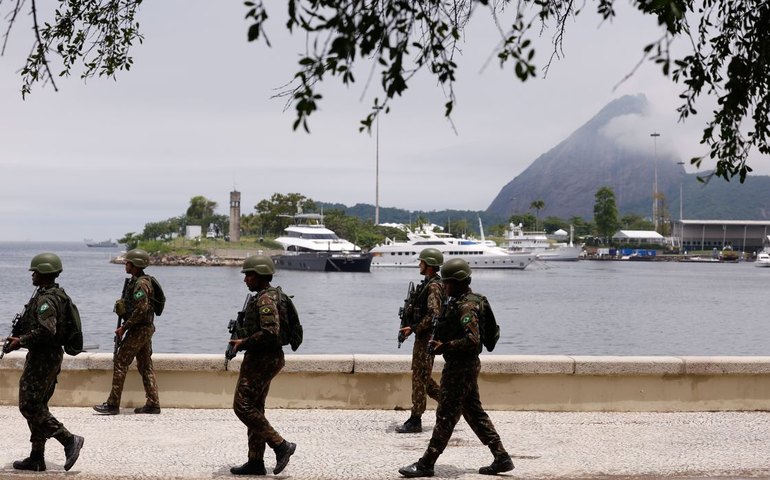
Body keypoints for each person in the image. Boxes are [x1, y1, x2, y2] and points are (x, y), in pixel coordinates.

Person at [398, 258, 514, 478]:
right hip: (465, 367)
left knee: (445, 415)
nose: (445, 287)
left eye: (449, 283)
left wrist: (445, 345)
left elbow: (473, 340)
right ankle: (501, 457)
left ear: (459, 282)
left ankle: (426, 463)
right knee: (474, 413)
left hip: (460, 368)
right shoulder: (467, 300)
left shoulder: (466, 306)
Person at [3, 252, 84, 472]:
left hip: (43, 357)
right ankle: (37, 457)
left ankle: (69, 440)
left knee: (29, 405)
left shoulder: (47, 300)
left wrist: (21, 341)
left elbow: (47, 331)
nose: (33, 275)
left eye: (36, 272)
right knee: (39, 406)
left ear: (45, 273)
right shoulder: (50, 294)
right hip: (47, 356)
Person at [227, 255, 296, 476]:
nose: (245, 279)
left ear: (259, 275)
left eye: (249, 275)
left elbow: (270, 332)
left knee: (242, 406)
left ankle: (281, 445)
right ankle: (255, 461)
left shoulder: (266, 300)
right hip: (264, 358)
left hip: (263, 359)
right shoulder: (266, 297)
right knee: (255, 408)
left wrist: (243, 342)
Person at [94, 248, 160, 415]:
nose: (126, 265)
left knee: (121, 362)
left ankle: (112, 404)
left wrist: (125, 327)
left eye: (128, 263)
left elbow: (141, 309)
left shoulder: (141, 284)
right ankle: (153, 404)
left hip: (139, 329)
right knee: (145, 366)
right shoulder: (138, 281)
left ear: (135, 265)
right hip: (144, 329)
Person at [396, 248, 444, 433]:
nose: (419, 265)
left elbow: (434, 314)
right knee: (421, 376)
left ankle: (415, 419)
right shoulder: (428, 284)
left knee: (420, 377)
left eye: (422, 262)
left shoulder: (433, 286)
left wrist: (414, 328)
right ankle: (452, 403)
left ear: (429, 265)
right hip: (423, 337)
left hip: (427, 338)